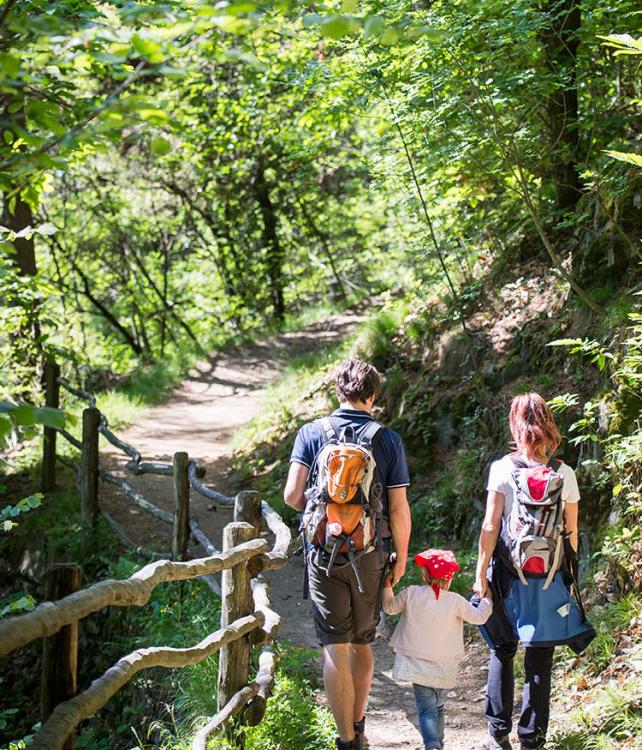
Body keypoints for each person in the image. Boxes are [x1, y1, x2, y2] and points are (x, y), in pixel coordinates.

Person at [284, 358, 411, 750]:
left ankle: (345, 741)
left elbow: (291, 495)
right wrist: (401, 558)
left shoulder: (312, 432)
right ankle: (359, 724)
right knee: (362, 644)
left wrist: (325, 513)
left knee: (334, 648)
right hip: (370, 553)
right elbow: (398, 508)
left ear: (338, 392)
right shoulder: (387, 440)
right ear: (372, 396)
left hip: (323, 554)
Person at [474, 393, 581, 750]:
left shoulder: (502, 469)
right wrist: (568, 574)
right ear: (548, 425)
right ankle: (532, 736)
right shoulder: (564, 474)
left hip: (508, 572)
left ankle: (497, 732)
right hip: (548, 574)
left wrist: (480, 574)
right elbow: (572, 532)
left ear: (515, 426)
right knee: (540, 652)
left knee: (503, 648)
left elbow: (490, 526)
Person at [383, 549, 493, 750]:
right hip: (446, 666)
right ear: (449, 579)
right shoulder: (455, 601)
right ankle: (437, 745)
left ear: (425, 574)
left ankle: (433, 745)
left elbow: (389, 608)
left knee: (426, 711)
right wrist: (487, 599)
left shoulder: (411, 593)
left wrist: (387, 585)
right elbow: (479, 617)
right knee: (439, 708)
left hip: (417, 666)